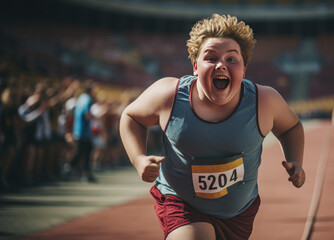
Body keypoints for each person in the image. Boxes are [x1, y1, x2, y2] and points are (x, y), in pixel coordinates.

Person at [120, 14, 305, 240]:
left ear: (244, 69)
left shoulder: (264, 101)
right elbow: (131, 117)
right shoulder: (168, 95)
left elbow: (291, 127)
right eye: (211, 58)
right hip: (181, 204)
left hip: (239, 214)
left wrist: (296, 161)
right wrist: (138, 158)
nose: (221, 65)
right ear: (195, 67)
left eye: (231, 59)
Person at [68, 80, 98, 182]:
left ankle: (75, 168)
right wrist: (95, 118)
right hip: (84, 131)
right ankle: (71, 167)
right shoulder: (88, 99)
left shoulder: (81, 98)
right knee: (85, 152)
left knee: (83, 151)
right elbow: (87, 114)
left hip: (79, 129)